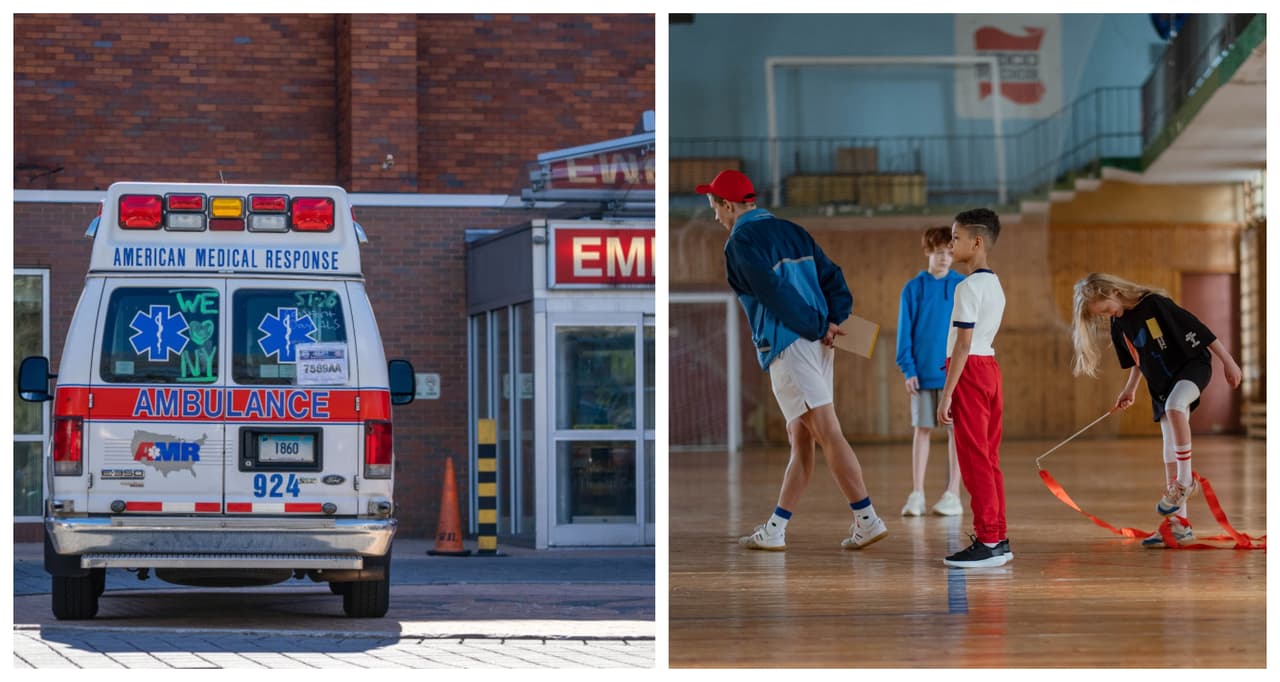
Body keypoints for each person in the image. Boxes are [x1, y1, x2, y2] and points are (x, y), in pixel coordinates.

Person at [697, 169, 887, 552]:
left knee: (826, 431)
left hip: (791, 342)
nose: (714, 215)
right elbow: (833, 276)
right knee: (800, 438)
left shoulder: (739, 242)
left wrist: (820, 325)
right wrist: (834, 319)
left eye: (714, 206)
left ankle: (867, 519)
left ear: (729, 206)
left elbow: (773, 293)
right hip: (818, 342)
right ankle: (776, 529)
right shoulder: (793, 230)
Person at [1070, 272, 1242, 547]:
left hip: (1191, 366)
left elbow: (1200, 329)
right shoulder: (1118, 324)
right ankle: (1179, 525)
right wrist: (1131, 389)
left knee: (1176, 406)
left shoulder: (1155, 304)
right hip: (1161, 383)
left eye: (1105, 309)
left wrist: (1229, 362)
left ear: (1113, 291)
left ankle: (1185, 482)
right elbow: (1139, 358)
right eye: (1101, 314)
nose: (1107, 315)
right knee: (1167, 449)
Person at [936, 208, 1011, 568]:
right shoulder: (994, 285)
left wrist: (947, 392)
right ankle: (998, 534)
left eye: (956, 238)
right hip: (989, 369)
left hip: (969, 371)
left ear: (976, 242)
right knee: (989, 459)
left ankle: (989, 540)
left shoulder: (966, 287)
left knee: (974, 460)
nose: (951, 245)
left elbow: (962, 345)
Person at [896, 226, 966, 517]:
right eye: (939, 253)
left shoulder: (963, 285)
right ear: (928, 252)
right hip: (922, 374)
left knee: (956, 434)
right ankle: (917, 494)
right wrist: (908, 368)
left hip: (954, 374)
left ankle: (953, 494)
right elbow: (904, 333)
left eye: (950, 253)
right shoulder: (913, 288)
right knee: (921, 430)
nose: (945, 258)